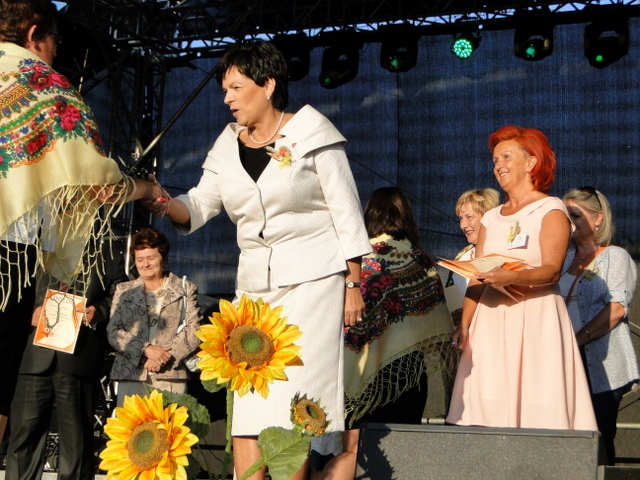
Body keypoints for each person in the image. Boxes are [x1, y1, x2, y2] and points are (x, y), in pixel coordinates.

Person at [142, 40, 372, 479]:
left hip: (314, 284)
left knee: (297, 399)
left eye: (236, 87)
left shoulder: (313, 133)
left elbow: (346, 213)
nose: (227, 99)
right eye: (224, 90)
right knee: (249, 396)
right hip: (255, 291)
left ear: (267, 85)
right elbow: (198, 205)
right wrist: (163, 202)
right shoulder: (227, 144)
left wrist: (353, 283)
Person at [0, 0, 152, 445]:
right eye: (55, 41)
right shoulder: (42, 84)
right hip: (7, 256)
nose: (54, 52)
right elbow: (96, 181)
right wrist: (146, 189)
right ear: (34, 34)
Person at [446, 125, 597, 431]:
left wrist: (510, 276)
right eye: (494, 159)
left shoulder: (550, 209)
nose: (498, 165)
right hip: (490, 322)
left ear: (531, 162)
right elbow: (477, 275)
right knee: (486, 409)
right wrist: (465, 325)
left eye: (506, 157)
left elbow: (551, 270)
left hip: (535, 318)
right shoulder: (491, 217)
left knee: (537, 408)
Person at [313, 187, 455, 479]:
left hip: (358, 373)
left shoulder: (354, 263)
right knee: (398, 456)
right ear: (406, 217)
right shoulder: (420, 260)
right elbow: (436, 322)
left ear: (369, 216)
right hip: (405, 377)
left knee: (352, 449)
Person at [5, 247, 129, 480]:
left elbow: (122, 295)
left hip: (78, 356)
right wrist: (27, 314)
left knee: (76, 442)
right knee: (24, 436)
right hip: (34, 355)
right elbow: (11, 288)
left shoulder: (106, 252)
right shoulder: (33, 249)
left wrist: (98, 312)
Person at [560, 187, 638, 464]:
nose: (569, 223)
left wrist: (576, 340)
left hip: (598, 362)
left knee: (597, 440)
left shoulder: (615, 256)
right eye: (565, 217)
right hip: (563, 356)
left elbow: (616, 309)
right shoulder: (563, 258)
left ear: (598, 218)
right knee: (564, 437)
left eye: (575, 215)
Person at [107, 228, 202, 406]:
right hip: (131, 374)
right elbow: (113, 331)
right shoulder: (123, 290)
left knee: (169, 424)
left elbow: (194, 329)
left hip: (170, 374)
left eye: (151, 258)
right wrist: (146, 350)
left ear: (163, 258)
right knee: (132, 424)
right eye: (140, 259)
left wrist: (161, 357)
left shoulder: (185, 289)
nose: (145, 264)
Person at [444, 188, 500, 325]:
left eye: (469, 217)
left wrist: (469, 314)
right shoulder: (463, 255)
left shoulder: (501, 253)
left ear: (487, 217)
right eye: (461, 218)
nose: (463, 225)